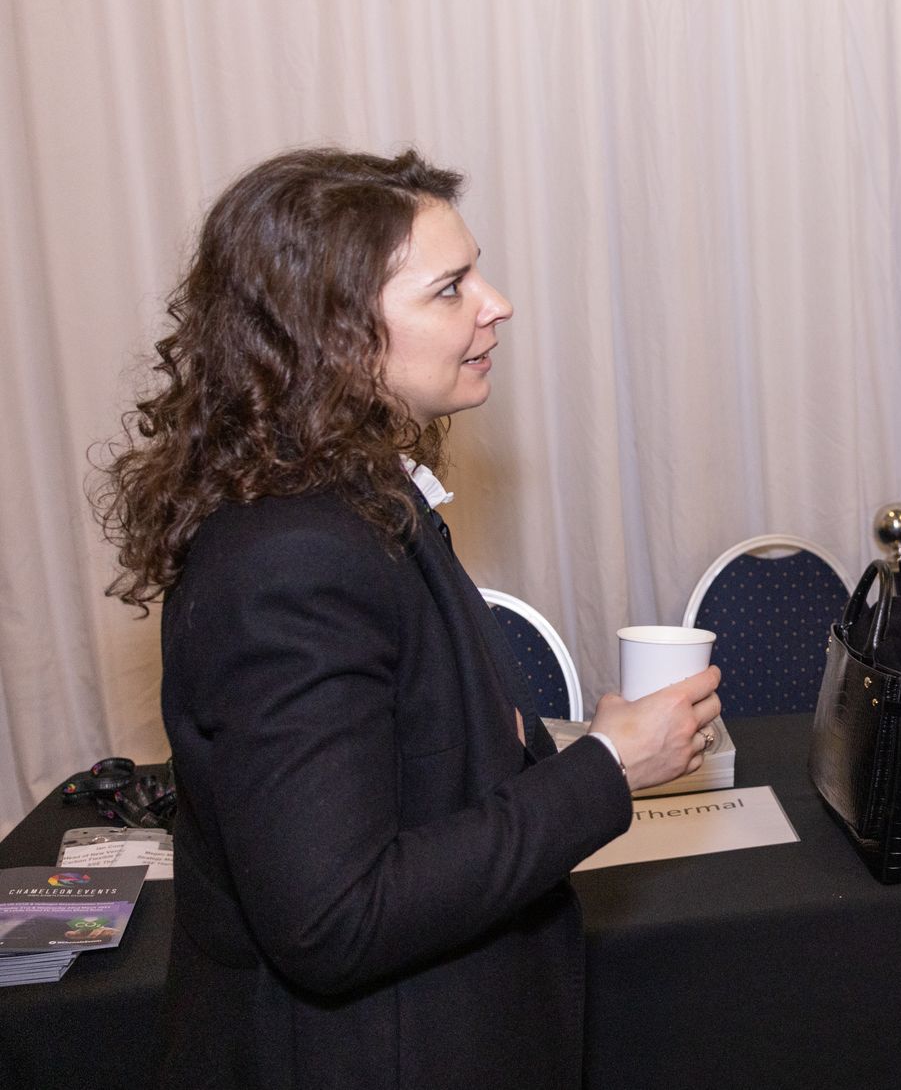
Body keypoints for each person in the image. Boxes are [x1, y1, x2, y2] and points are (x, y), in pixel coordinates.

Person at [95, 148, 723, 1090]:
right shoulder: (288, 558)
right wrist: (608, 767)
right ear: (334, 334)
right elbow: (335, 918)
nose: (497, 304)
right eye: (450, 288)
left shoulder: (355, 498)